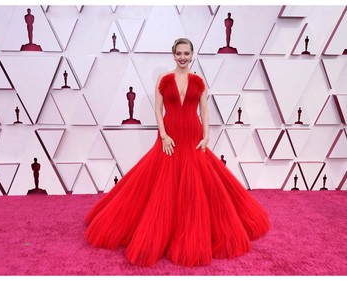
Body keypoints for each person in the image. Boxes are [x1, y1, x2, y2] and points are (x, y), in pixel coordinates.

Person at [84, 38, 270, 267]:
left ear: (192, 55)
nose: (183, 57)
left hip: (192, 137)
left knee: (197, 187)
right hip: (169, 138)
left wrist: (207, 136)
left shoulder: (199, 81)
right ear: (173, 54)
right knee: (164, 186)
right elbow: (157, 109)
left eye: (187, 53)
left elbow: (204, 111)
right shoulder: (164, 80)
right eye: (179, 53)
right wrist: (163, 135)